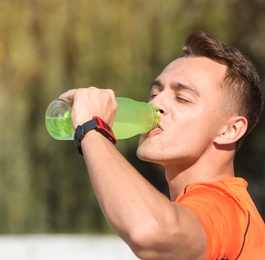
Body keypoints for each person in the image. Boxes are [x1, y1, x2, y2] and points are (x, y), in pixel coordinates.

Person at [59, 31, 265, 259]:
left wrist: (93, 129)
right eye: (154, 93)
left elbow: (148, 230)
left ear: (230, 130)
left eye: (182, 98)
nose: (156, 103)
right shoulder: (195, 210)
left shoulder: (226, 208)